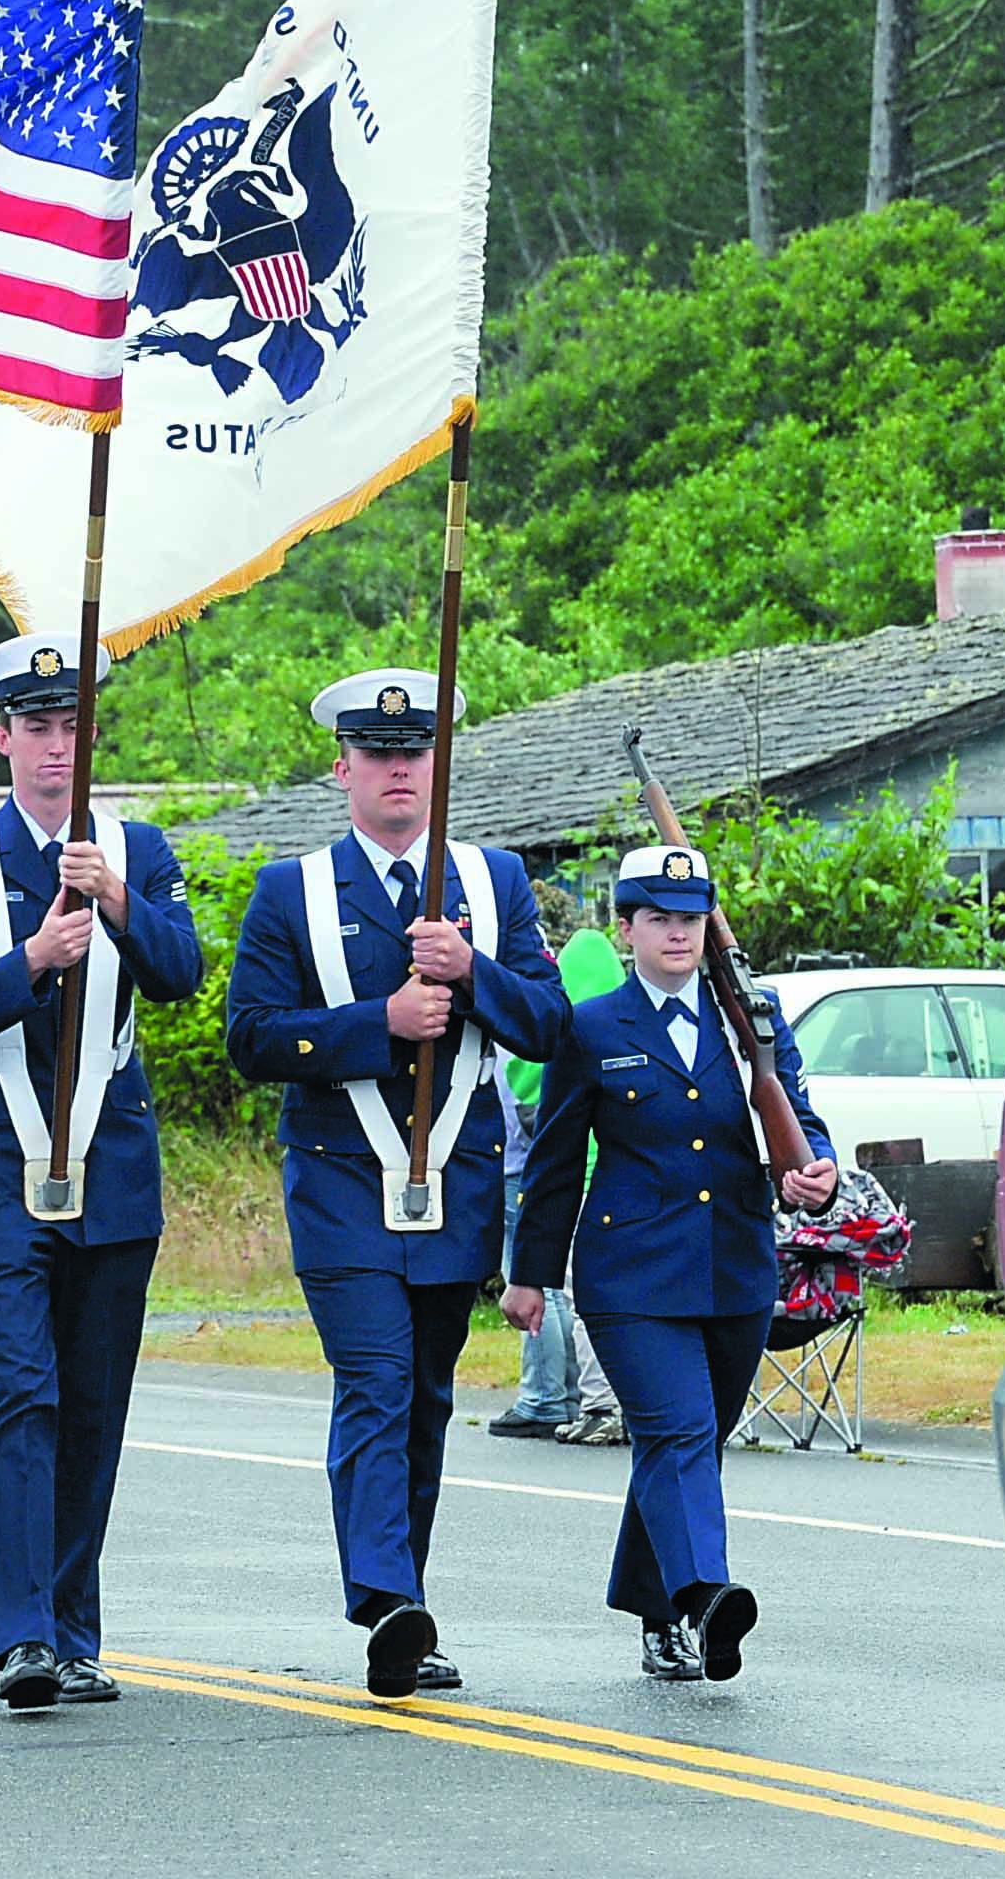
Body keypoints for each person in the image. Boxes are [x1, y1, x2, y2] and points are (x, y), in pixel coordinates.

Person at [224, 667, 568, 1699]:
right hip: (341, 1181)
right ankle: (384, 1594)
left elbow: (550, 1026)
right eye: (378, 754)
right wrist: (376, 1022)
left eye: (414, 753)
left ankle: (404, 1603)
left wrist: (472, 974)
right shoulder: (292, 889)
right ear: (344, 769)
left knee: (424, 1398)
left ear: (437, 764)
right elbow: (251, 1035)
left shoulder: (492, 879)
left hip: (453, 1185)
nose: (398, 770)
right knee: (373, 1381)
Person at [0, 634, 204, 1712]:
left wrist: (116, 898)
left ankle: (76, 1626)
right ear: (1, 738)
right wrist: (28, 959)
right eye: (37, 726)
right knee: (19, 1388)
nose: (56, 747)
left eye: (72, 726)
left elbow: (181, 975)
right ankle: (20, 1631)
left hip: (111, 1162)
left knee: (91, 1404)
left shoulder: (135, 847)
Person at [505, 845, 839, 1683]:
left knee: (688, 1443)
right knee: (678, 1431)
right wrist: (527, 1274)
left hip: (735, 1267)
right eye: (659, 918)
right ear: (627, 928)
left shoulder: (749, 1021)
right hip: (631, 1274)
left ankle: (654, 1610)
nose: (677, 934)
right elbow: (552, 1162)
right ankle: (703, 1598)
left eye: (690, 919)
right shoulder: (592, 1027)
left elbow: (797, 1115)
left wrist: (814, 1173)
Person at [491, 923, 629, 1443]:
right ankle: (613, 1400)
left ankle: (583, 1402)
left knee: (562, 1290)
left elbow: (527, 1084)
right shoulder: (630, 1014)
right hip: (625, 1171)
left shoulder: (560, 1020)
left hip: (567, 1171)